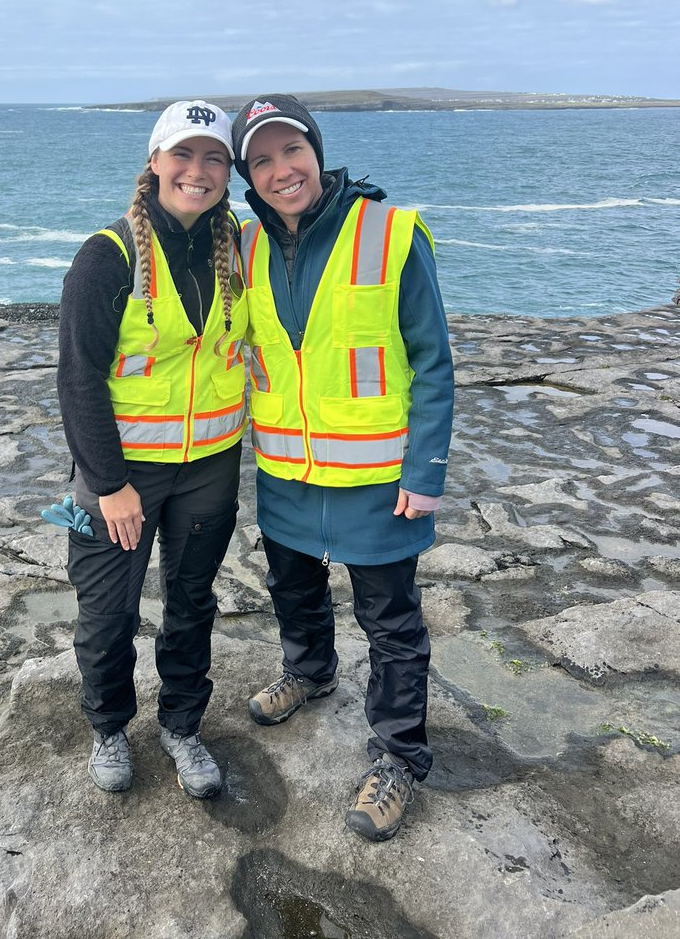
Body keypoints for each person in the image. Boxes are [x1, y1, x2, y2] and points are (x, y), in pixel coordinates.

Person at [232, 94, 454, 841]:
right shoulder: (241, 246)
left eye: (290, 151)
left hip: (377, 475)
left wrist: (425, 470)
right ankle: (311, 669)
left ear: (317, 152)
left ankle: (398, 757)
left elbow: (432, 359)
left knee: (391, 621)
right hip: (286, 470)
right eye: (260, 159)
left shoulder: (391, 234)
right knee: (291, 585)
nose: (280, 169)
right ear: (245, 175)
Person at [56, 100, 247, 799]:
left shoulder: (240, 251)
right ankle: (109, 725)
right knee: (108, 613)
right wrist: (108, 485)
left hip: (211, 466)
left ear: (229, 172)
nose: (198, 171)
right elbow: (77, 377)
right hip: (120, 474)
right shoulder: (106, 256)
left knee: (192, 604)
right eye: (184, 155)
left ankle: (182, 726)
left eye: (215, 158)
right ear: (156, 162)